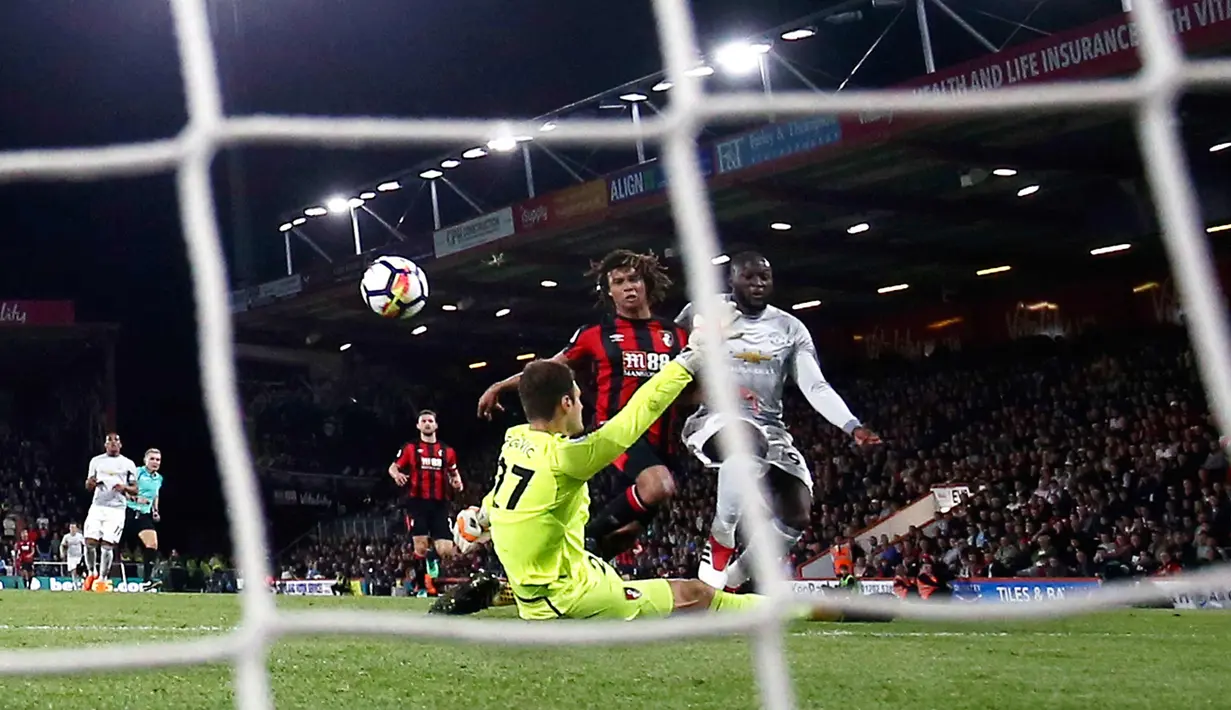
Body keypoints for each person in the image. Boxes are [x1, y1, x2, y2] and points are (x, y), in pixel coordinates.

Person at [675, 252, 881, 590]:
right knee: (745, 440)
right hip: (714, 418)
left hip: (770, 426)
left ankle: (732, 580)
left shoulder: (789, 328)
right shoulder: (705, 311)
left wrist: (851, 425)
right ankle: (721, 536)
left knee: (796, 513)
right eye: (749, 277)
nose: (757, 284)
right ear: (732, 279)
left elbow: (815, 385)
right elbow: (670, 351)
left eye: (764, 278)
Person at [477, 249, 688, 558]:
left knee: (623, 537)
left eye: (634, 279)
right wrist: (499, 386)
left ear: (646, 284)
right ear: (609, 290)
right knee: (658, 486)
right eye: (619, 281)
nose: (628, 287)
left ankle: (582, 567)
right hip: (617, 434)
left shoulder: (676, 335)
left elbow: (694, 386)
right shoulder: (594, 335)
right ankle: (582, 539)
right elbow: (547, 370)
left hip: (665, 440)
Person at [388, 410, 462, 597]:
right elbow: (393, 467)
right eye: (424, 421)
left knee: (445, 550)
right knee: (420, 546)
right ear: (418, 426)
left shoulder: (447, 451)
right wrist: (397, 475)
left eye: (431, 421)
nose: (428, 424)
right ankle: (423, 585)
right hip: (417, 503)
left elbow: (454, 472)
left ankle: (431, 560)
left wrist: (458, 482)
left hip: (439, 504)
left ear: (436, 425)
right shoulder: (410, 449)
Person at [83, 432, 138, 592]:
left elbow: (135, 489)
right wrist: (91, 483)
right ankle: (91, 572)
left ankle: (102, 579)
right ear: (105, 445)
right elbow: (88, 485)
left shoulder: (128, 464)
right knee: (89, 542)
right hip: (98, 506)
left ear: (121, 445)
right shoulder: (96, 461)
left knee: (108, 544)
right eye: (110, 441)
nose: (113, 443)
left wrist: (125, 488)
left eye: (116, 441)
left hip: (116, 509)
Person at [125, 448, 165, 591]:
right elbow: (124, 489)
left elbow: (155, 495)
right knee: (110, 542)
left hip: (143, 515)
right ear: (145, 460)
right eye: (152, 459)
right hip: (127, 511)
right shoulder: (137, 472)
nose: (155, 462)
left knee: (152, 544)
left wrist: (155, 510)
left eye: (158, 459)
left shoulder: (159, 478)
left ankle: (147, 581)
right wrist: (136, 498)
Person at [59, 523, 86, 590]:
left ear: (76, 529)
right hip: (71, 557)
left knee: (79, 571)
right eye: (71, 528)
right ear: (69, 529)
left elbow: (85, 544)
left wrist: (85, 553)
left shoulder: (80, 536)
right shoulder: (66, 537)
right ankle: (75, 585)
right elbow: (62, 545)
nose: (73, 529)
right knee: (73, 570)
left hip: (79, 556)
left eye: (74, 528)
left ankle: (82, 583)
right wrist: (62, 553)